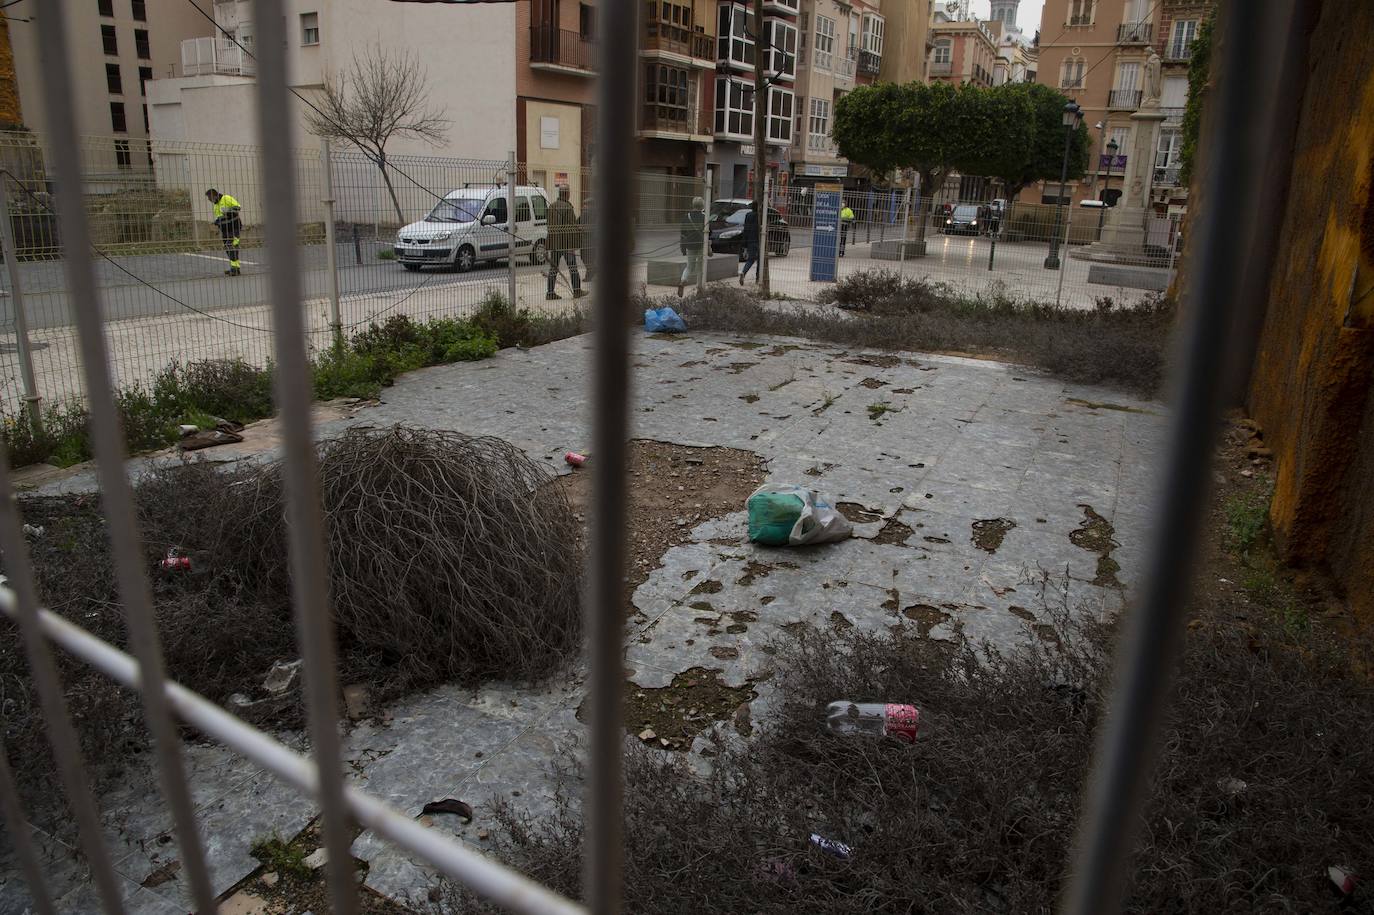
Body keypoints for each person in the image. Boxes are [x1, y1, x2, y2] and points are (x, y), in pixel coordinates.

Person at [546, 185, 586, 301]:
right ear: (567, 193)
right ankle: (577, 291)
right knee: (573, 267)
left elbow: (549, 225)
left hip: (555, 243)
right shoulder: (568, 208)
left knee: (553, 268)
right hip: (566, 244)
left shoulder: (552, 206)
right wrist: (574, 244)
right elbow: (571, 228)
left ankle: (550, 293)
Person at [206, 188, 242, 276]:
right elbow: (219, 217)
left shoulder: (226, 198)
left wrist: (226, 214)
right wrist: (217, 221)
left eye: (209, 197)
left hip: (234, 227)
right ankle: (235, 268)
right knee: (228, 248)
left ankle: (235, 269)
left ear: (214, 195)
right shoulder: (216, 205)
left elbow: (237, 207)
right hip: (225, 230)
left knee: (231, 246)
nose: (209, 200)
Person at [677, 196, 706, 298]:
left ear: (693, 205)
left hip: (690, 245)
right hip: (701, 244)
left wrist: (683, 247)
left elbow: (683, 233)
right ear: (702, 205)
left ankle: (683, 281)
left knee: (689, 266)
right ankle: (699, 289)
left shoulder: (687, 216)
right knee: (700, 268)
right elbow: (707, 232)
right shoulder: (704, 217)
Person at [739, 204, 760, 286]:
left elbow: (746, 229)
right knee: (760, 261)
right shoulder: (760, 216)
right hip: (759, 240)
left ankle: (743, 272)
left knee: (750, 259)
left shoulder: (748, 215)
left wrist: (744, 244)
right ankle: (758, 279)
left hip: (750, 240)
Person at [579, 198, 595, 281]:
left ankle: (591, 273)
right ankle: (590, 274)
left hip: (585, 240)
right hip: (594, 241)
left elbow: (580, 225)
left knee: (585, 258)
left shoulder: (585, 214)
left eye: (584, 205)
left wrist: (580, 228)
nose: (583, 206)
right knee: (590, 259)